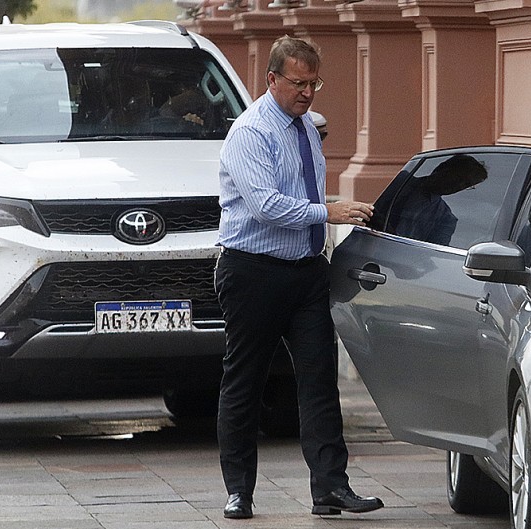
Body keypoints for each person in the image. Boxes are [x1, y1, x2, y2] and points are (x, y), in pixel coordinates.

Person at [214, 35, 382, 520]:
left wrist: (323, 219)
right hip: (253, 270)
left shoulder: (306, 127)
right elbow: (265, 206)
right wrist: (329, 212)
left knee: (319, 382)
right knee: (245, 380)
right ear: (272, 80)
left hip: (307, 272)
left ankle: (331, 488)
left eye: (314, 83)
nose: (307, 93)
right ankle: (239, 490)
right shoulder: (251, 133)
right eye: (298, 83)